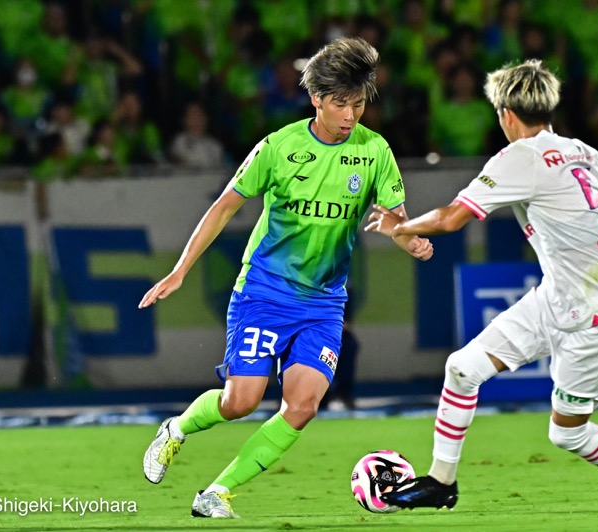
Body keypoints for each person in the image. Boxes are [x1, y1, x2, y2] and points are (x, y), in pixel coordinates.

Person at [139, 36, 433, 519]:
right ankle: (176, 429)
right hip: (264, 293)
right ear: (316, 99)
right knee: (241, 401)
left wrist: (410, 238)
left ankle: (216, 493)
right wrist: (179, 270)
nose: (350, 115)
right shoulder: (278, 148)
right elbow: (222, 208)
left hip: (323, 303)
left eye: (358, 104)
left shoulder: (375, 151)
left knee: (301, 405)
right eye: (340, 103)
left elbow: (395, 218)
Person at [366, 59, 598, 526]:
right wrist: (586, 221)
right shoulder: (578, 149)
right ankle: (442, 482)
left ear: (505, 112)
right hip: (554, 299)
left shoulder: (518, 157)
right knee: (462, 368)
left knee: (567, 435)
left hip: (593, 319)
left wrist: (399, 226)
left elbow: (448, 219)